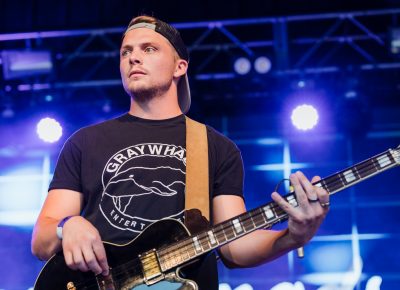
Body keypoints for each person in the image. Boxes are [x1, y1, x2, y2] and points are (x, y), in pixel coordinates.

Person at [31, 15, 329, 289]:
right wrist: (67, 225)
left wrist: (293, 236)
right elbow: (42, 240)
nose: (133, 57)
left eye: (149, 49)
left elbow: (235, 249)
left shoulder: (215, 147)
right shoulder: (85, 141)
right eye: (126, 52)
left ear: (179, 67)